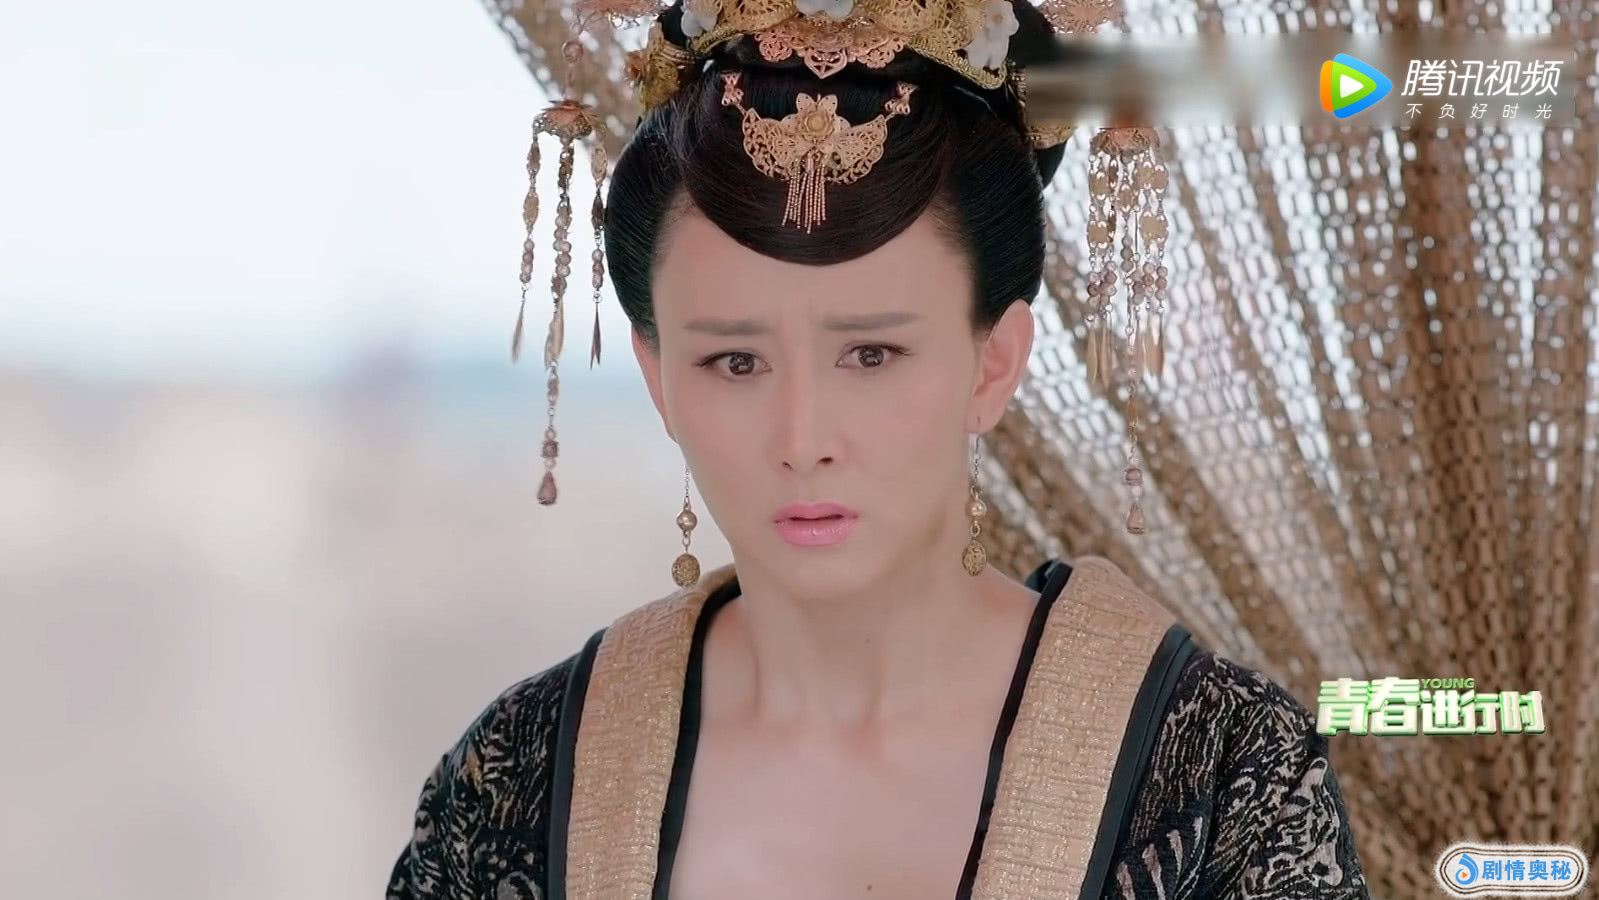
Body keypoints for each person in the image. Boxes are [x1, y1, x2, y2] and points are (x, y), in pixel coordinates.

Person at [387, 1, 1371, 897]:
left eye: (871, 354)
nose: (803, 440)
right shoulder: (517, 777)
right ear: (657, 378)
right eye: (735, 362)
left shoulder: (1222, 773)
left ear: (993, 363)